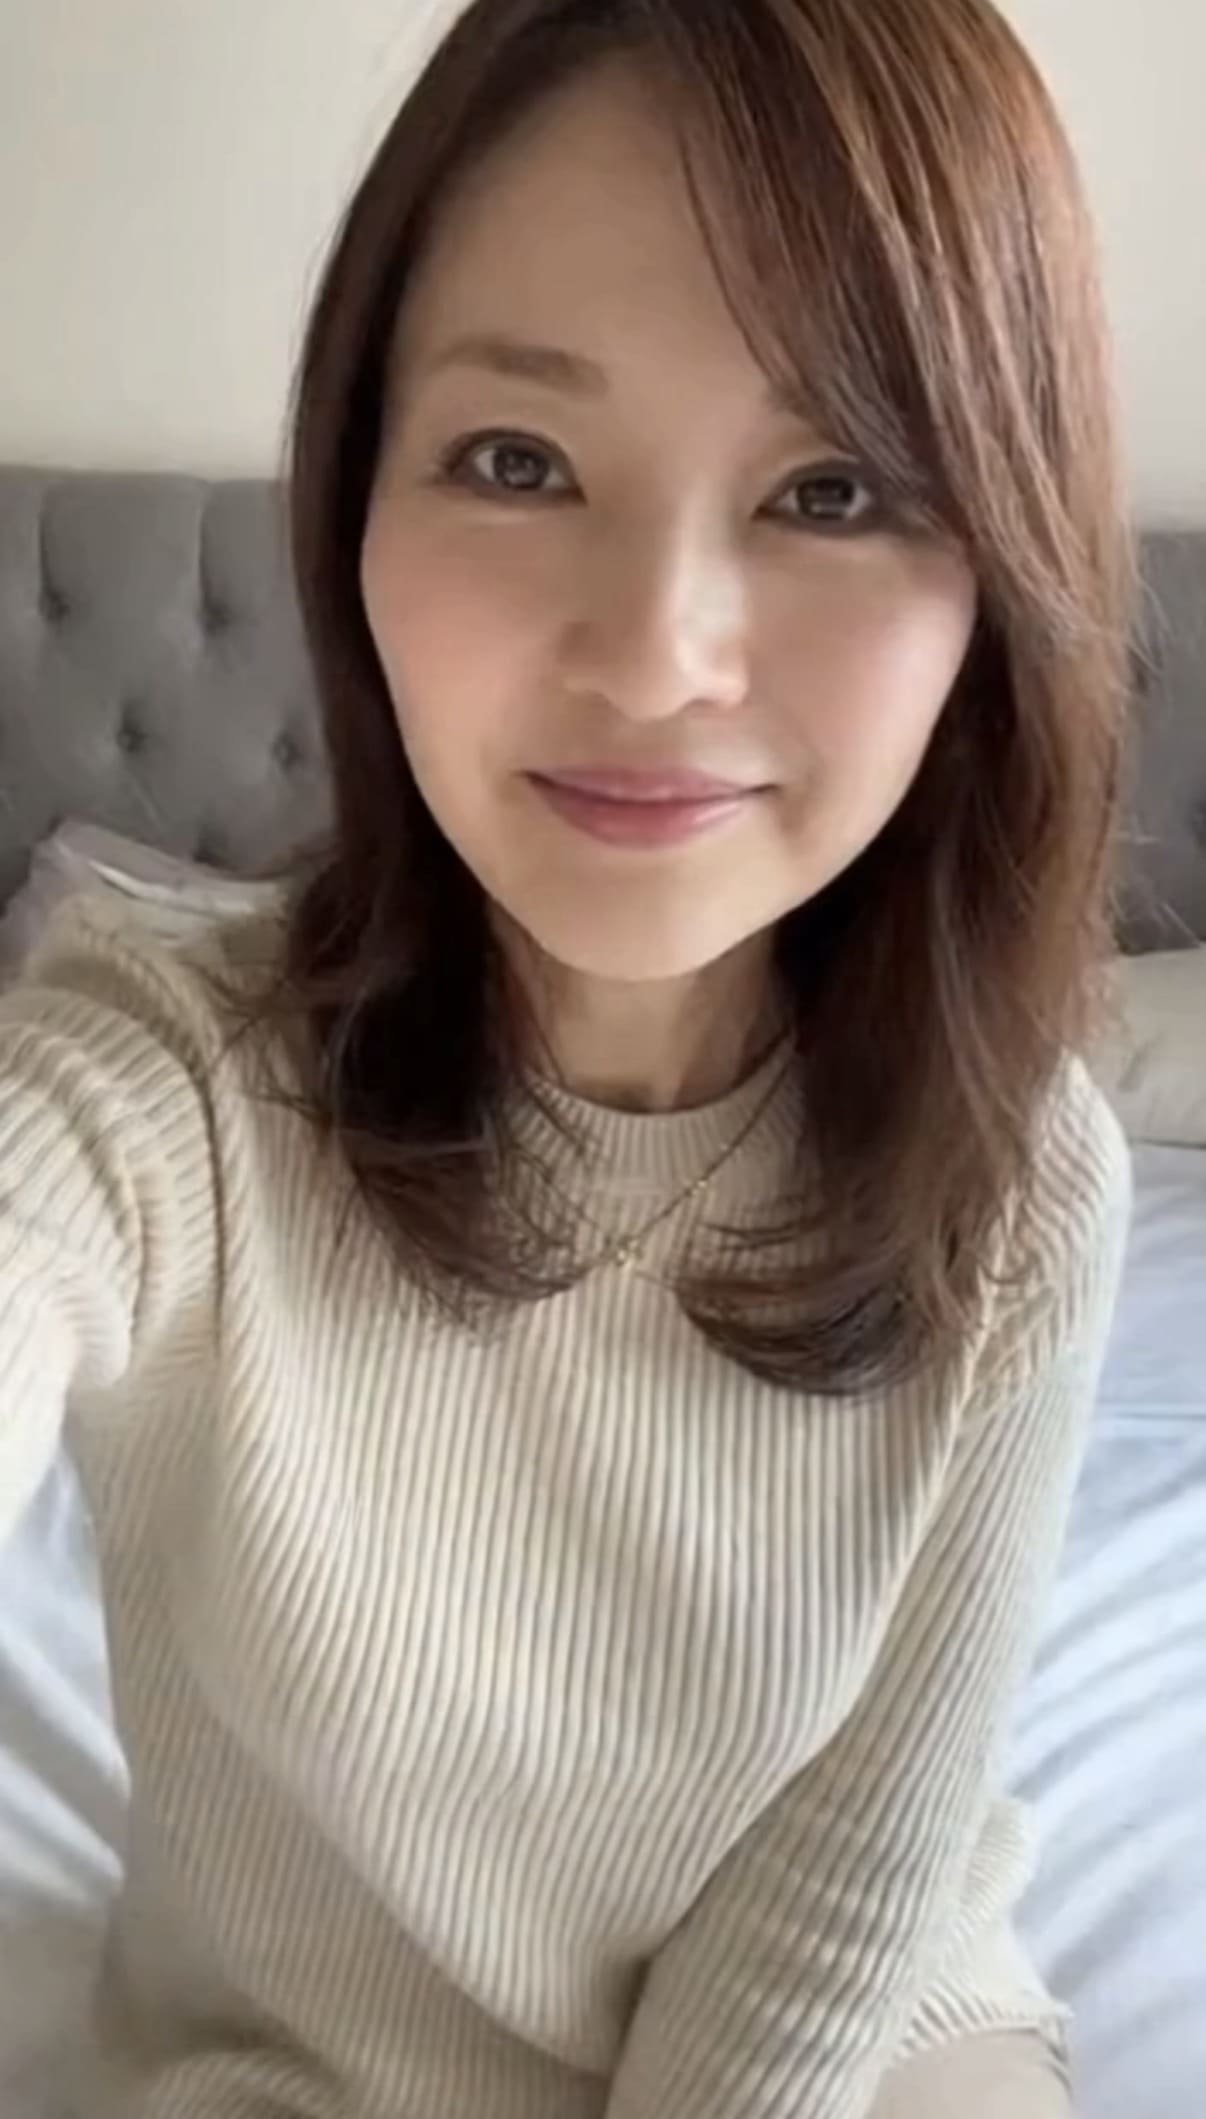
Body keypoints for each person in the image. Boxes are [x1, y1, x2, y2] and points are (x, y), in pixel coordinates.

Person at [0, 1, 1134, 2114]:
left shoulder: (1022, 1177)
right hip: (303, 2068)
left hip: (862, 2018)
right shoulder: (156, 1081)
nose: (656, 654)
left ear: (997, 571)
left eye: (830, 487)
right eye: (516, 460)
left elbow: (852, 1862)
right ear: (356, 503)